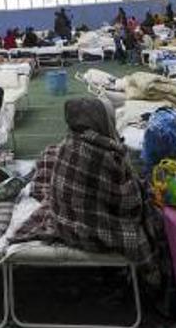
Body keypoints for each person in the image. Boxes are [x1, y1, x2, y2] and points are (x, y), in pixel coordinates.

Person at [22, 97, 157, 265]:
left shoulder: (68, 142)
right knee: (152, 222)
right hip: (88, 232)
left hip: (62, 224)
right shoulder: (104, 155)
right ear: (101, 120)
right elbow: (129, 204)